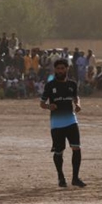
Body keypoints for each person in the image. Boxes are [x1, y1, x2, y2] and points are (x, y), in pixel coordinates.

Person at [41, 58, 86, 188]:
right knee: (59, 151)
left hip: (71, 121)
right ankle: (61, 177)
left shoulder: (72, 84)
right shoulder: (50, 85)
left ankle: (75, 178)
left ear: (67, 69)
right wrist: (49, 106)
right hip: (57, 124)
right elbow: (42, 104)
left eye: (62, 68)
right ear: (55, 70)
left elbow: (76, 97)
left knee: (76, 148)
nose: (60, 70)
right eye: (58, 68)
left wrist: (77, 104)